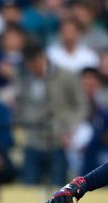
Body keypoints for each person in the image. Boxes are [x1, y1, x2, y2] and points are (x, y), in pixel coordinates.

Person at [15, 43, 87, 185]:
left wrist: (69, 126)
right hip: (33, 139)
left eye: (34, 62)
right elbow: (21, 104)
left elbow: (81, 104)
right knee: (29, 184)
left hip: (58, 138)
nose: (32, 67)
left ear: (42, 58)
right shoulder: (24, 79)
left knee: (58, 185)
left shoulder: (65, 76)